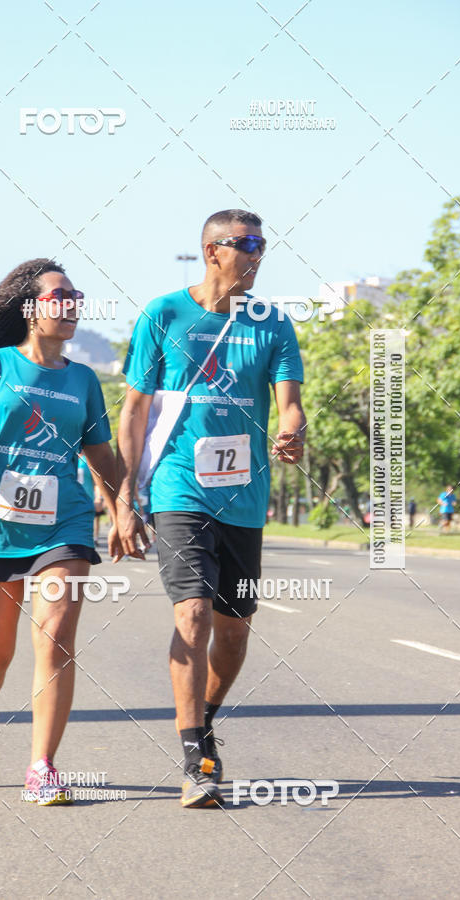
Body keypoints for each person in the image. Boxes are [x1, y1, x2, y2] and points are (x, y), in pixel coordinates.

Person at [116, 209, 305, 808]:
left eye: (262, 245)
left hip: (243, 496)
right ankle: (195, 755)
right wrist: (124, 497)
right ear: (211, 250)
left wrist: (293, 431)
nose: (256, 254)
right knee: (192, 615)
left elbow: (291, 405)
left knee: (233, 630)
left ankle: (206, 718)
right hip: (178, 488)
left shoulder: (272, 323)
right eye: (245, 244)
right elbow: (134, 411)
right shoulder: (164, 314)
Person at [0, 258, 123, 805]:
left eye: (77, 295)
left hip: (64, 523)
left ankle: (42, 765)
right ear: (30, 308)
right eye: (59, 295)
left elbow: (100, 454)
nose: (71, 303)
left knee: (56, 638)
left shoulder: (83, 380)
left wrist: (122, 511)